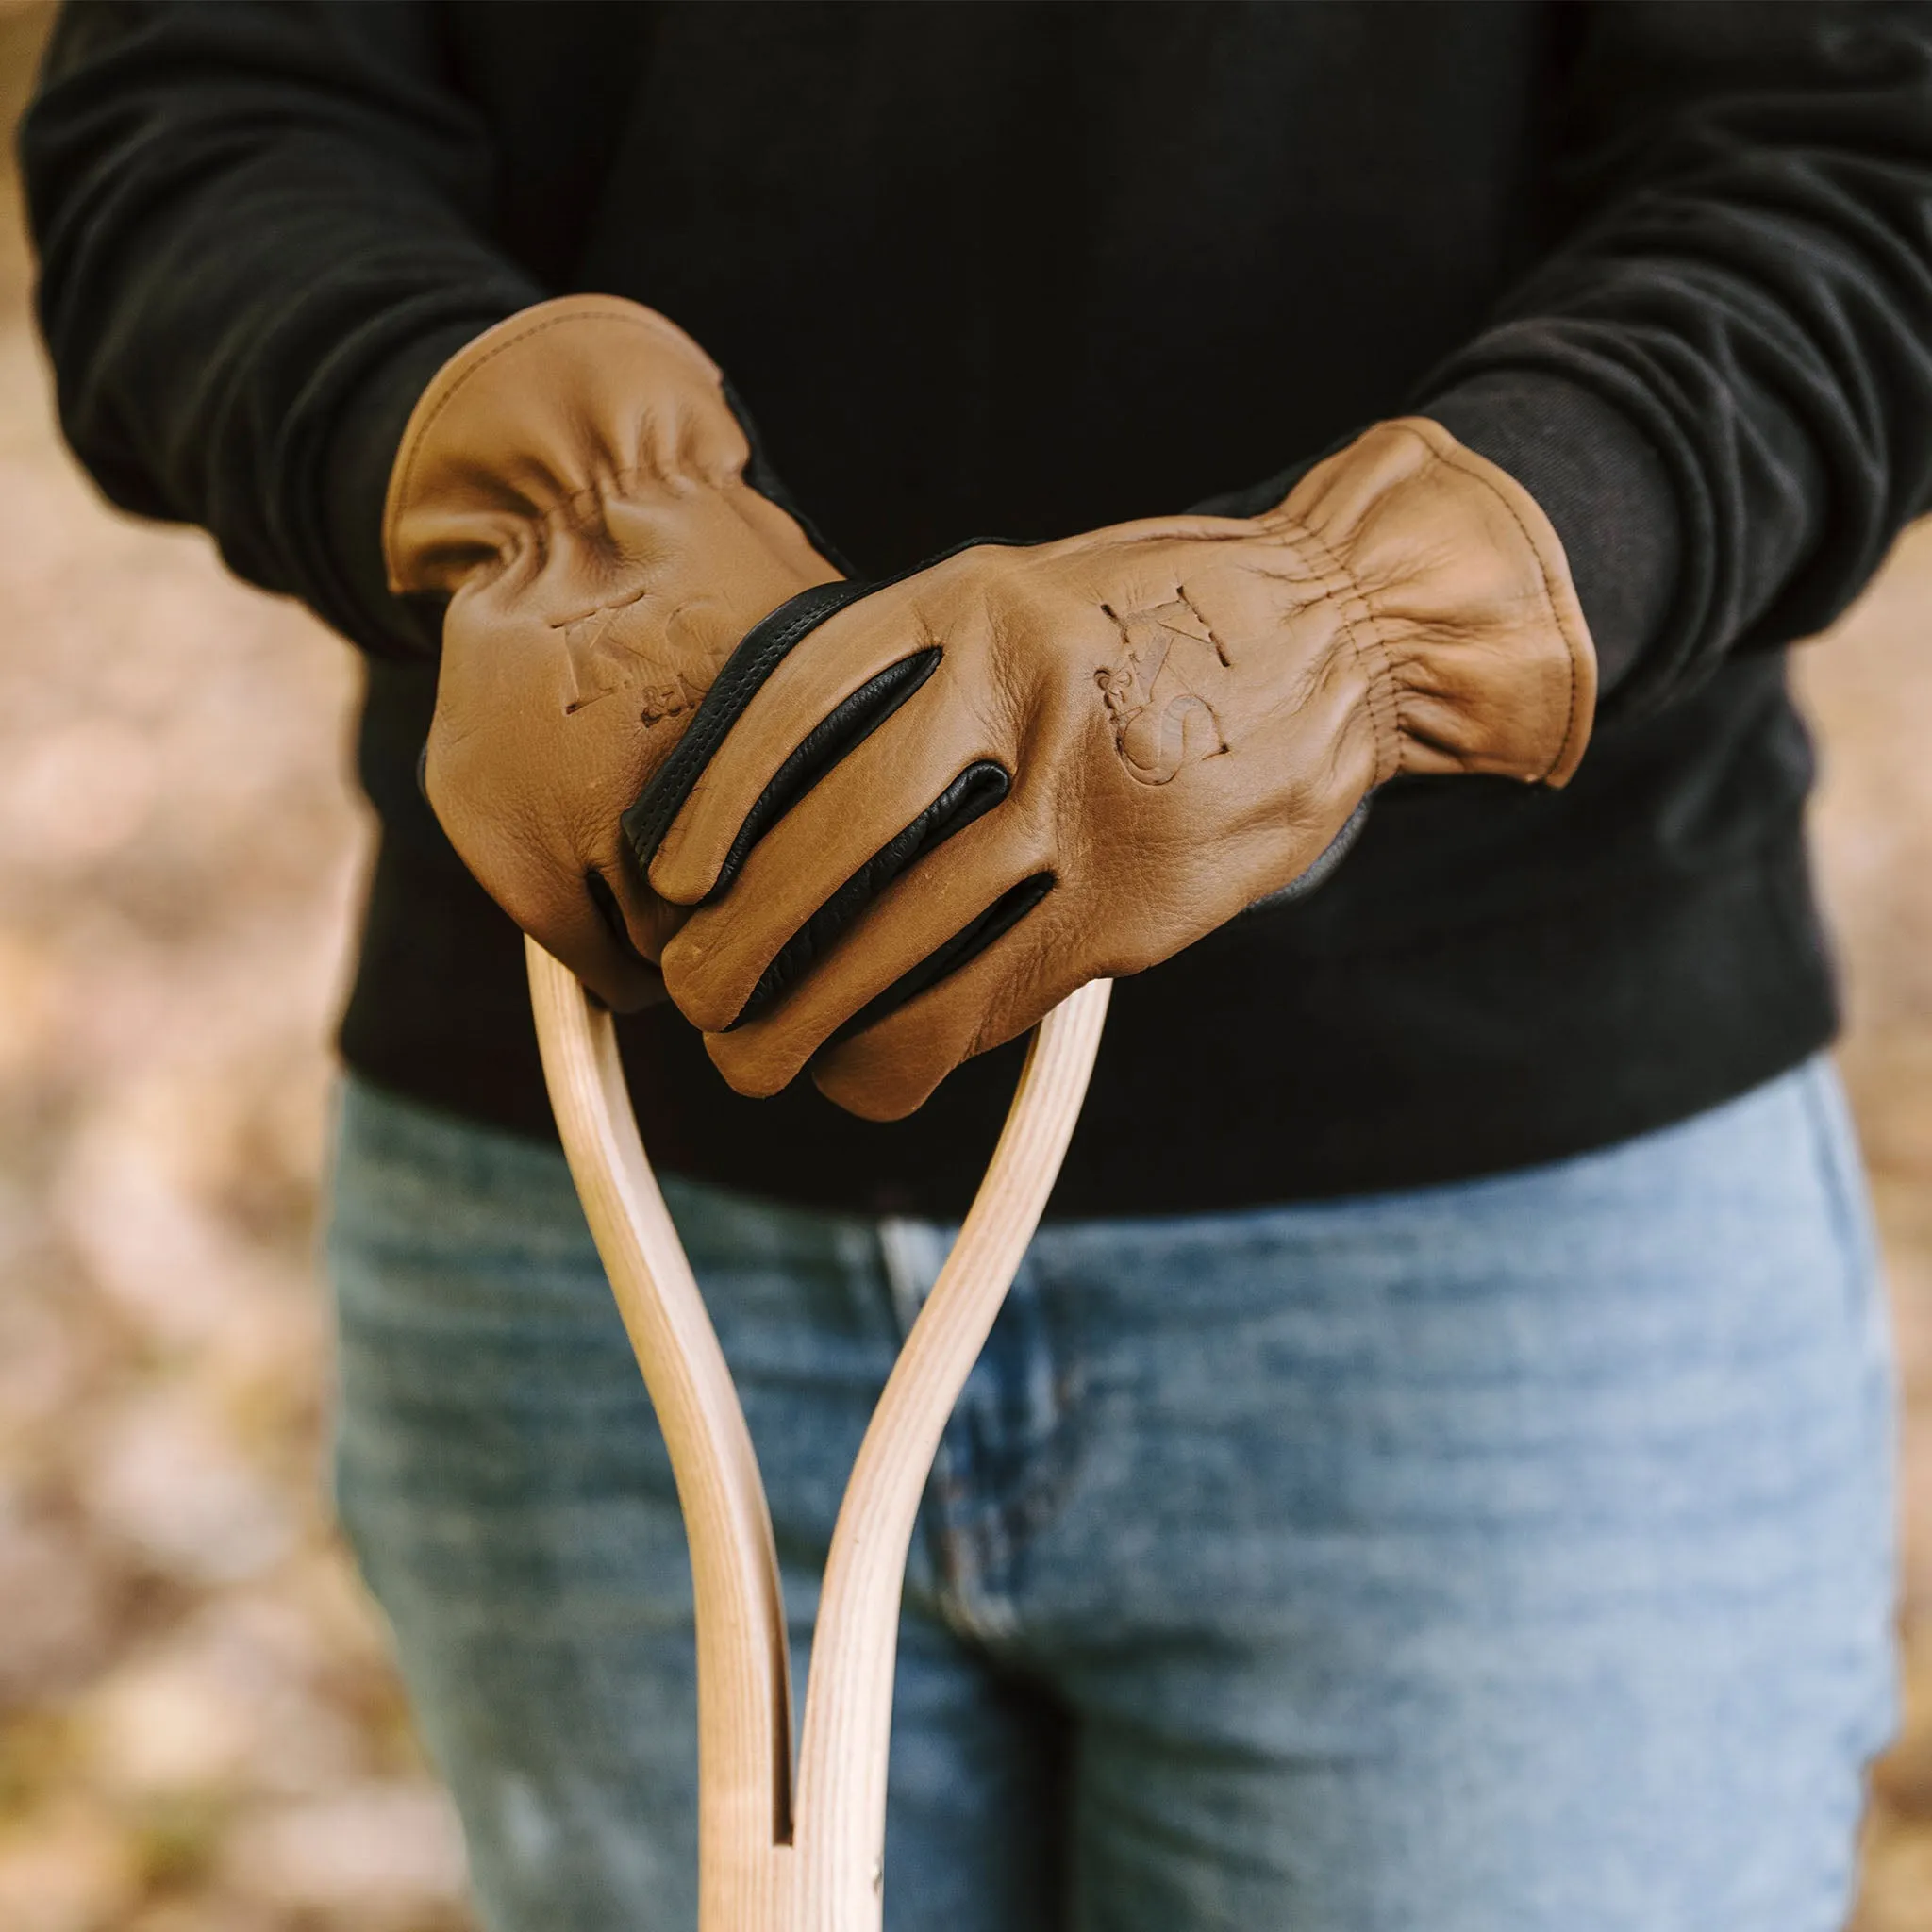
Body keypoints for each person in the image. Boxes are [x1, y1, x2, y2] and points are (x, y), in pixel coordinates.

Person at [21, 4, 1932, 1926]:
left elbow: (1864, 157)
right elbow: (202, 104)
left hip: (1502, 1256)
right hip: (596, 1250)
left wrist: (1388, 609)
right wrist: (489, 467)